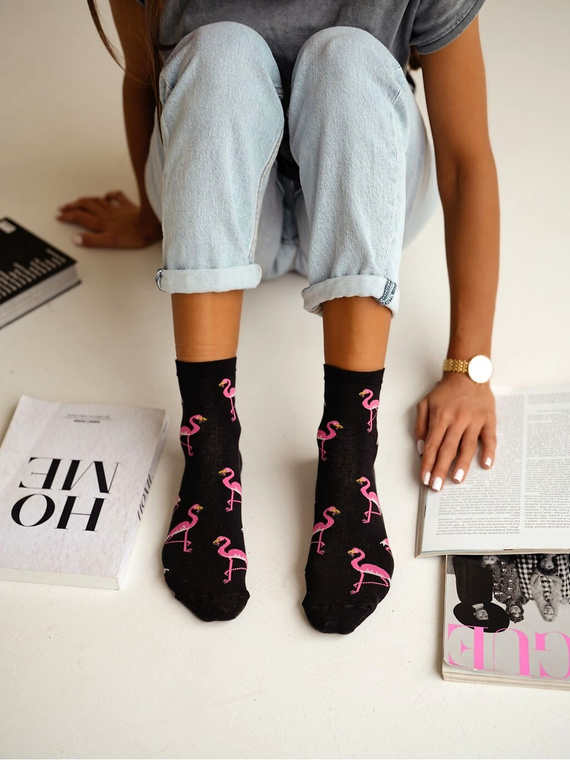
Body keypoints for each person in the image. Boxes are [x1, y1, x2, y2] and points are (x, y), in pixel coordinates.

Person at [57, 0, 499, 634]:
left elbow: (462, 162)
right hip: (235, 213)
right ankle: (209, 444)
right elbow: (146, 83)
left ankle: (350, 450)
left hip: (364, 193)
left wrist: (468, 366)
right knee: (219, 56)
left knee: (348, 60)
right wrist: (157, 217)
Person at [452, 556, 510, 633]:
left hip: (469, 570)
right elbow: (488, 583)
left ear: (474, 614)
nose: (483, 614)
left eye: (481, 616)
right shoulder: (487, 600)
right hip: (482, 568)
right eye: (485, 616)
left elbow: (463, 581)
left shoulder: (466, 600)